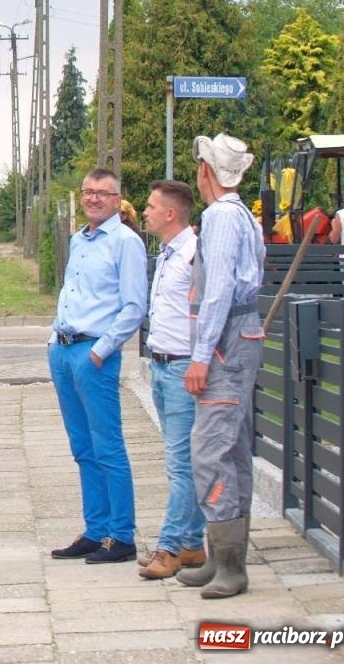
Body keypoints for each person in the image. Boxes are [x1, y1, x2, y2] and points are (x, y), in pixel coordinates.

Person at [176, 132, 265, 600]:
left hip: (226, 341)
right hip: (239, 336)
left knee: (211, 449)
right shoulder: (240, 215)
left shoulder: (221, 218)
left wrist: (200, 355)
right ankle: (223, 559)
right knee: (230, 449)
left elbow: (218, 292)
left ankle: (230, 566)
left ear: (206, 171)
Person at [47, 168, 148, 565]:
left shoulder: (126, 242)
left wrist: (101, 351)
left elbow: (134, 306)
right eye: (88, 192)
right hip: (64, 349)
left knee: (108, 447)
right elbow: (72, 292)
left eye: (102, 194)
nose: (92, 199)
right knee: (82, 447)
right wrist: (53, 339)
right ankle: (95, 530)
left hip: (95, 354)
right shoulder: (79, 239)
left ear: (116, 200)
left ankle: (121, 536)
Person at [136, 179, 207, 579]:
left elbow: (207, 310)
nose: (144, 211)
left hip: (183, 366)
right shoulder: (166, 253)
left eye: (150, 206)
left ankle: (170, 547)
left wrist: (200, 361)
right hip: (162, 365)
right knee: (180, 461)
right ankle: (193, 545)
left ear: (170, 213)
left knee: (181, 464)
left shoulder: (194, 253)